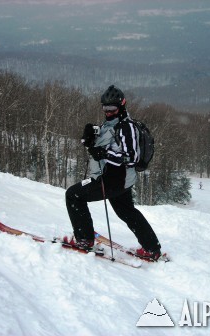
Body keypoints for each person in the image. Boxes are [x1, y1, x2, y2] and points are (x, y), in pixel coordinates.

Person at [64, 85, 162, 260]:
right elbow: (101, 149)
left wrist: (105, 154)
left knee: (73, 195)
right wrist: (89, 140)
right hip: (117, 180)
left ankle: (84, 239)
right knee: (127, 212)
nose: (108, 112)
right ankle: (151, 248)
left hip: (112, 180)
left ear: (122, 105)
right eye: (105, 108)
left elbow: (131, 157)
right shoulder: (110, 124)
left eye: (112, 109)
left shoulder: (126, 127)